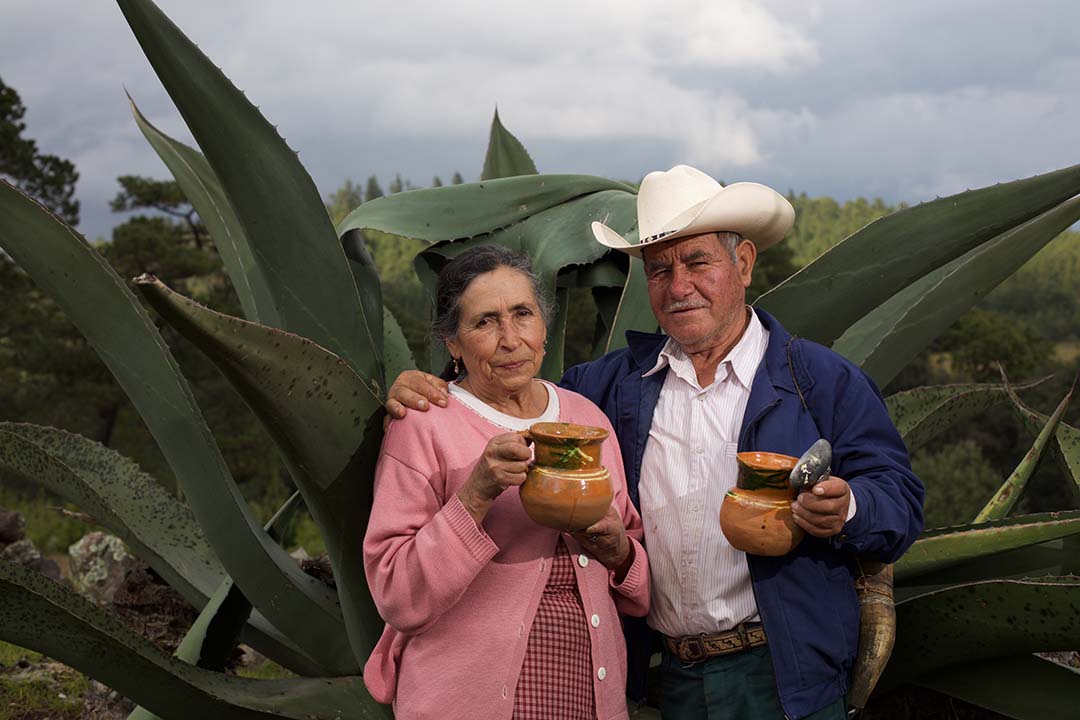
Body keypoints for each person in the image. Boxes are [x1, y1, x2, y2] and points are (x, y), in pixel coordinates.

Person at [386, 166, 925, 720]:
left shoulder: (820, 381)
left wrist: (849, 507)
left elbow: (900, 502)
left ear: (742, 264)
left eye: (697, 263)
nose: (679, 286)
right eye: (660, 269)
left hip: (786, 679)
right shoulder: (606, 391)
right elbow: (508, 398)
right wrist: (429, 389)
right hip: (675, 682)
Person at [363, 245, 650, 720]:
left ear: (545, 325)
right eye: (485, 322)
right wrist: (475, 494)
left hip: (587, 698)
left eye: (523, 314)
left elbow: (638, 584)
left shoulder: (585, 418)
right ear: (452, 343)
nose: (511, 339)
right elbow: (397, 595)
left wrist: (618, 550)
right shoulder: (423, 425)